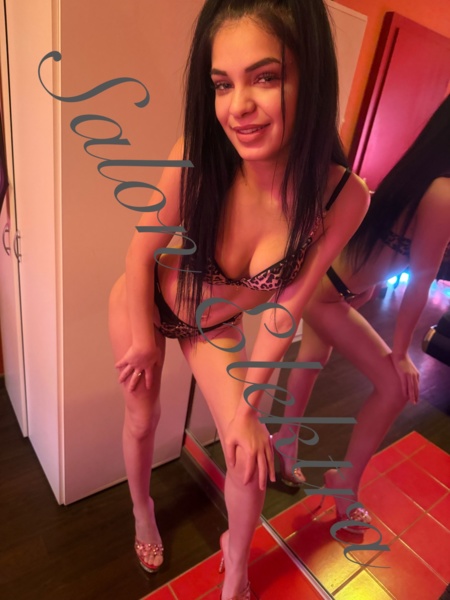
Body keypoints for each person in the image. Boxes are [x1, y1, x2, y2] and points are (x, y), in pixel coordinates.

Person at [108, 0, 368, 597]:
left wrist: (251, 406)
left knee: (248, 451)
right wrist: (144, 341)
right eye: (223, 84)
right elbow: (140, 254)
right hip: (148, 303)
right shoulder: (199, 158)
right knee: (142, 419)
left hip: (213, 324)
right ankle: (143, 511)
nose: (237, 107)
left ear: (311, 77)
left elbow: (287, 306)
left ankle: (238, 572)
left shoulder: (342, 198)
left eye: (265, 77)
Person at [274, 95, 450, 533]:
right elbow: (421, 280)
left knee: (313, 359)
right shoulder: (444, 192)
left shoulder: (426, 177)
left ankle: (285, 443)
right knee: (393, 387)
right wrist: (400, 352)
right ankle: (344, 484)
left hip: (339, 283)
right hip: (328, 292)